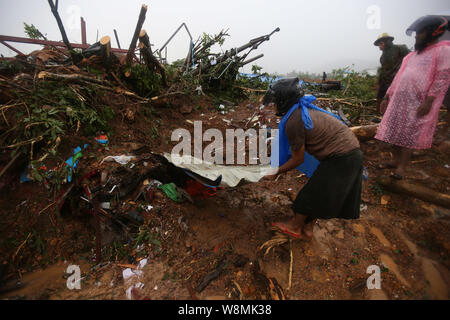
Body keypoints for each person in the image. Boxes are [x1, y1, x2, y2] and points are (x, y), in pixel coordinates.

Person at [262, 78, 363, 239]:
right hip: (351, 153)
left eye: (275, 102)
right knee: (321, 192)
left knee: (310, 194)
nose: (274, 105)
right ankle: (308, 228)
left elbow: (298, 159)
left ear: (283, 101)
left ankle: (294, 226)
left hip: (342, 157)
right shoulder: (301, 111)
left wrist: (276, 171)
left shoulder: (294, 121)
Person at [376, 16, 450, 179]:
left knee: (410, 133)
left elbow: (442, 78)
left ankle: (402, 168)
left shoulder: (442, 51)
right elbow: (399, 77)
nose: (416, 36)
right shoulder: (411, 56)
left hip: (419, 100)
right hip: (400, 99)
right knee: (395, 129)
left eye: (421, 32)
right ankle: (395, 160)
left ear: (433, 33)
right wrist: (387, 96)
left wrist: (429, 101)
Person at [374, 33, 410, 114]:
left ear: (388, 41)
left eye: (381, 43)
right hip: (385, 82)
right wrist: (379, 82)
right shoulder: (383, 56)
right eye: (379, 44)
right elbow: (384, 70)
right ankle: (379, 116)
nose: (380, 47)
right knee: (380, 98)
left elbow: (411, 59)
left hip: (397, 81)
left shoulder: (400, 48)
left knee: (394, 102)